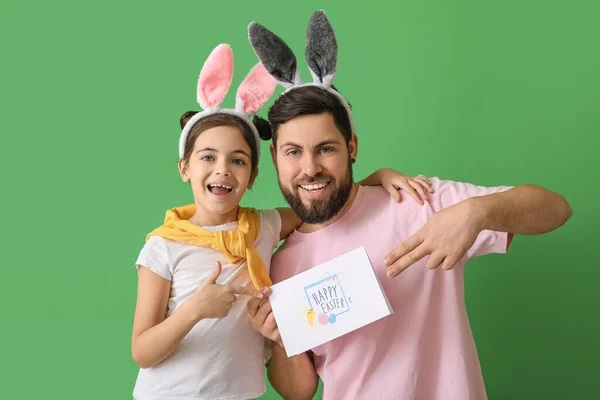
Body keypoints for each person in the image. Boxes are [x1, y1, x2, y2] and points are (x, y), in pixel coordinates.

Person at [245, 11, 573, 400]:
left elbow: (556, 208)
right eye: (293, 152)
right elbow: (299, 391)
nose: (310, 167)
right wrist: (279, 339)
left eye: (326, 148)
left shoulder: (416, 201)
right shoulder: (280, 264)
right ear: (276, 157)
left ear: (351, 147)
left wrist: (476, 211)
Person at [131, 43, 433, 400]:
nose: (223, 170)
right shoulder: (164, 245)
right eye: (207, 157)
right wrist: (194, 310)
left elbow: (324, 201)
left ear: (254, 174)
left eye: (238, 160)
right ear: (185, 168)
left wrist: (378, 176)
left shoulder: (264, 226)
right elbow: (142, 351)